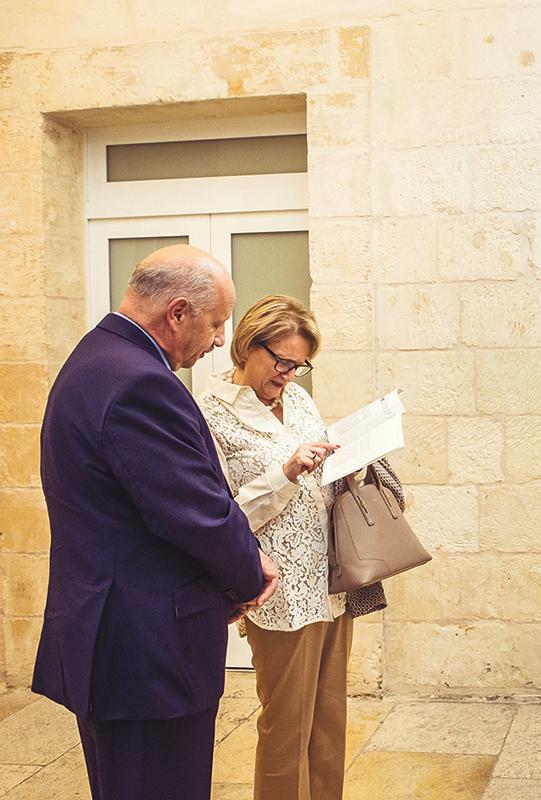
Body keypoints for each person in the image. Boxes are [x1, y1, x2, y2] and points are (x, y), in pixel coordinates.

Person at [34, 245, 277, 800]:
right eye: (216, 323)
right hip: (147, 651)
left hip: (115, 638)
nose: (220, 339)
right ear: (177, 313)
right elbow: (195, 511)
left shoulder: (95, 359)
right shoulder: (139, 383)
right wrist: (249, 571)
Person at [200, 295, 351, 800]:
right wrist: (286, 472)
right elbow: (221, 514)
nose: (288, 374)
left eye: (299, 365)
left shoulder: (300, 399)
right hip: (278, 592)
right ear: (247, 346)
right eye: (280, 361)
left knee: (328, 720)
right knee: (286, 726)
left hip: (329, 580)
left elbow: (320, 473)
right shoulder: (210, 413)